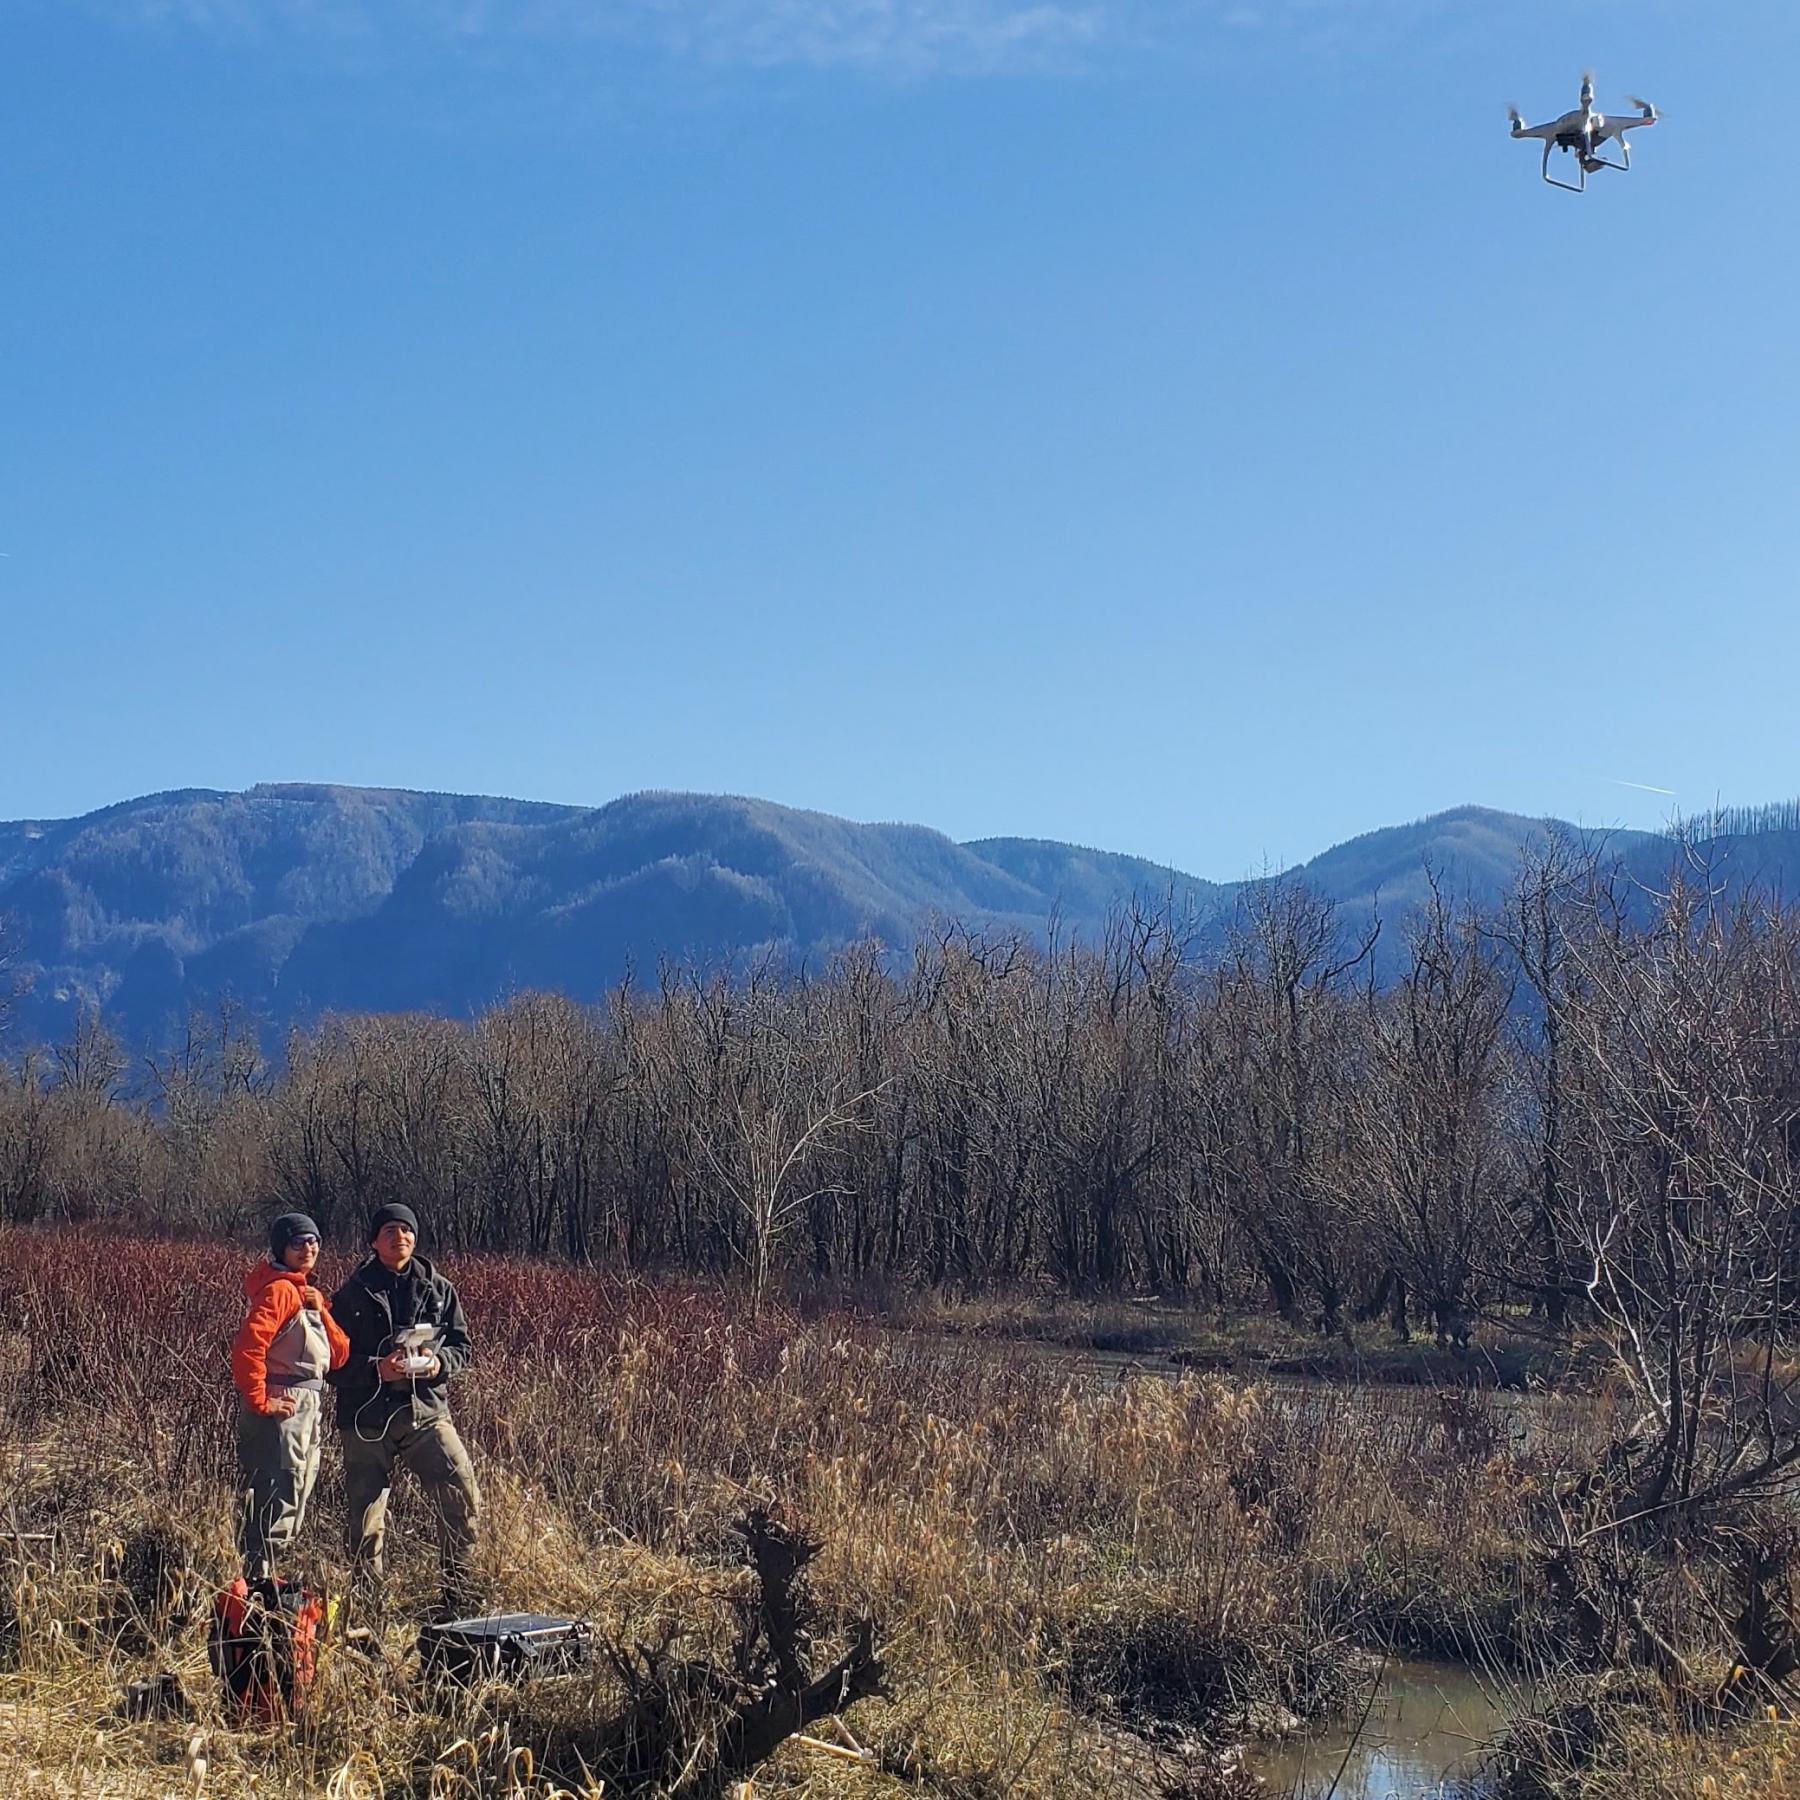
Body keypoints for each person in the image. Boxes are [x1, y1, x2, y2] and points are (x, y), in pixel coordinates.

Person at [329, 1203, 480, 1618]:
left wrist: (438, 1363)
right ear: (374, 1241)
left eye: (407, 1230)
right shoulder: (350, 1294)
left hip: (426, 1412)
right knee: (365, 1521)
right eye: (391, 1230)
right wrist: (376, 1368)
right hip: (366, 1420)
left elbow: (462, 1348)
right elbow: (330, 1364)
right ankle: (368, 1613)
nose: (401, 1237)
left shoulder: (439, 1289)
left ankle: (457, 1599)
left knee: (462, 1494)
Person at [230, 1212, 350, 1581]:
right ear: (282, 1247)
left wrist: (320, 1311)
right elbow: (248, 1348)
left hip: (307, 1405)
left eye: (313, 1241)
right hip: (285, 1407)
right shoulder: (280, 1291)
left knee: (295, 1490)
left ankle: (264, 1583)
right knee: (276, 1493)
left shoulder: (302, 1292)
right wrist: (260, 1400)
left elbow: (340, 1355)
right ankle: (254, 1587)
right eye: (298, 1242)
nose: (308, 1248)